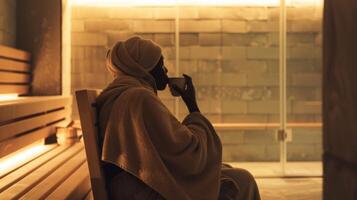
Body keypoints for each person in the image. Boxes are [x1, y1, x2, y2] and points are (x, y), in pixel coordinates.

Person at [96, 36, 261, 200]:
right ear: (145, 68)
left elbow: (169, 148)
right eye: (160, 64)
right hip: (142, 187)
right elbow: (189, 153)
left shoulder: (123, 94)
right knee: (243, 180)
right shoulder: (140, 98)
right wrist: (192, 104)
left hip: (133, 182)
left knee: (226, 172)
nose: (166, 70)